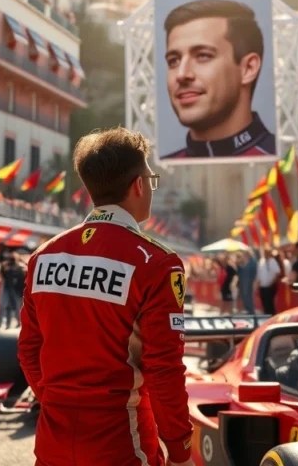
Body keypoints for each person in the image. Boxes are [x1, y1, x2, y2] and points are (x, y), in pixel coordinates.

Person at [19, 128, 193, 466]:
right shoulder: (158, 262)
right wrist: (181, 452)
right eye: (151, 180)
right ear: (139, 185)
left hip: (52, 440)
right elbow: (163, 369)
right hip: (122, 443)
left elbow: (29, 351)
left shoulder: (43, 256)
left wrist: (62, 402)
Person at [160, 0, 275, 159]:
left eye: (203, 56)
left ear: (248, 68)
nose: (181, 74)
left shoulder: (285, 168)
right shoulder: (156, 174)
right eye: (174, 60)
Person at [256, 249, 282, 315]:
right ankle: (266, 315)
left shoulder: (273, 261)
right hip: (262, 286)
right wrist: (257, 285)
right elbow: (259, 274)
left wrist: (272, 282)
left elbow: (277, 273)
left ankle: (272, 316)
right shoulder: (261, 261)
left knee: (270, 303)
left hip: (270, 286)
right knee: (264, 302)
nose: (265, 254)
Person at [236, 250, 257, 315]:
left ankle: (251, 311)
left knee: (248, 298)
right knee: (245, 297)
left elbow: (253, 273)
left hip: (248, 282)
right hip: (245, 282)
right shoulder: (248, 262)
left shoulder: (252, 262)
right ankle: (248, 310)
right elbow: (243, 271)